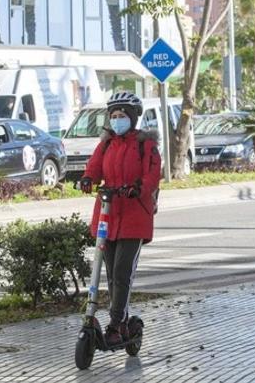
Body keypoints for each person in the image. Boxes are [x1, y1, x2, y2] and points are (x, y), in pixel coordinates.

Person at [79, 91, 161, 346]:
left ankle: (116, 324)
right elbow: (94, 166)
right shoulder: (106, 143)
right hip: (108, 215)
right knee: (111, 275)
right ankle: (120, 319)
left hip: (135, 215)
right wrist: (87, 179)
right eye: (113, 116)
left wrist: (139, 187)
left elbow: (153, 174)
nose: (117, 120)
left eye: (122, 115)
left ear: (133, 118)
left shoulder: (145, 144)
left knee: (122, 273)